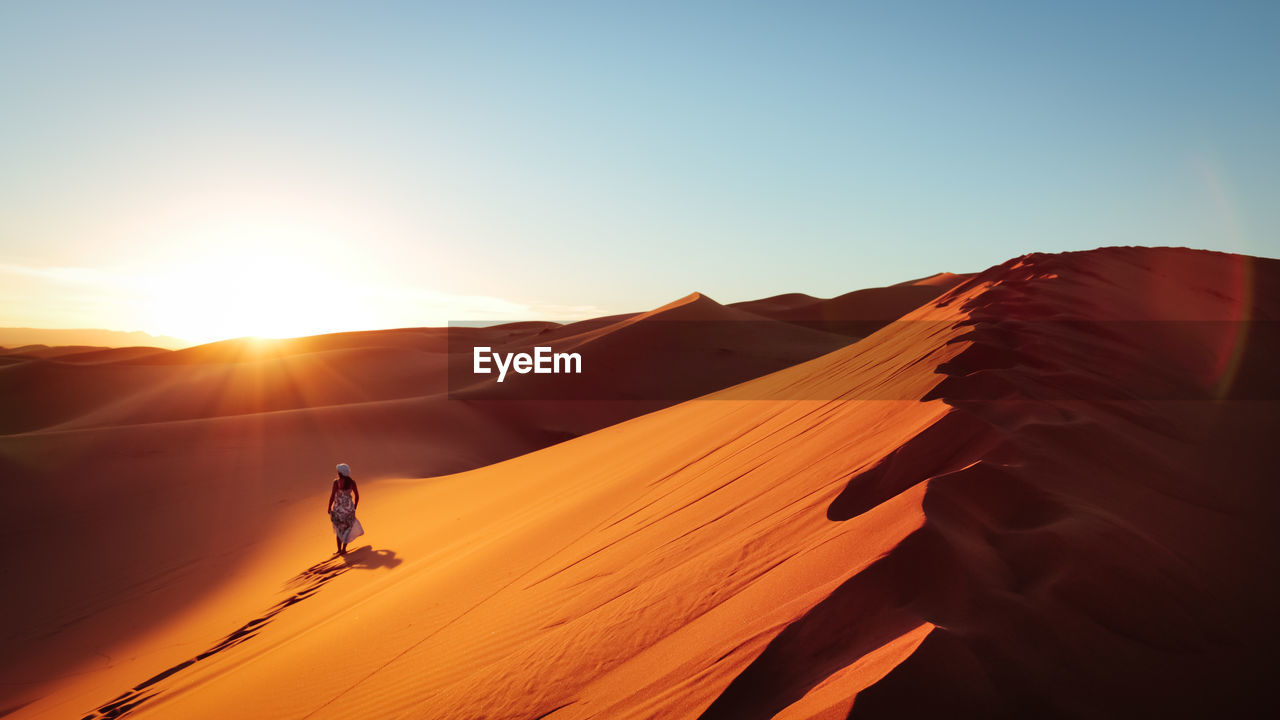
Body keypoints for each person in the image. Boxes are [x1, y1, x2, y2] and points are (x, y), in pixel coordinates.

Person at [327, 463, 363, 555]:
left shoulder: (336, 482)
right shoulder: (352, 482)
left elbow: (332, 496)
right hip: (349, 508)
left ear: (340, 473)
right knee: (347, 528)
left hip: (338, 508)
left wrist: (329, 507)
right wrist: (354, 507)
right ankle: (344, 549)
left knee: (339, 529)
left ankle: (339, 550)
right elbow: (357, 496)